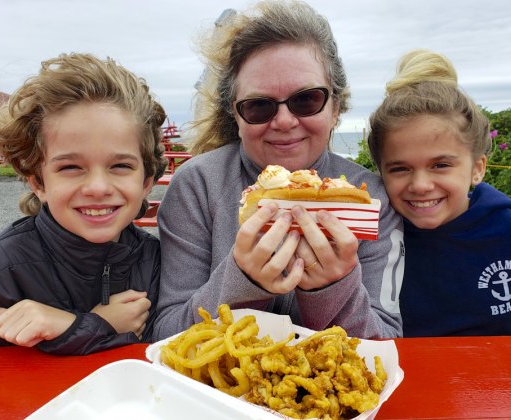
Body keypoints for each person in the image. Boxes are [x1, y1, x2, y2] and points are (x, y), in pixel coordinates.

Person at [153, 0, 404, 341]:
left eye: (306, 100)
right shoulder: (197, 186)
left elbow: (386, 343)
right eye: (259, 105)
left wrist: (333, 287)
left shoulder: (370, 198)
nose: (285, 121)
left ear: (335, 107)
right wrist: (243, 281)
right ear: (236, 115)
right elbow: (165, 335)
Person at [0, 53, 167, 354]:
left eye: (120, 166)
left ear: (146, 182)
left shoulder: (158, 263)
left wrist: (78, 327)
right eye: (70, 168)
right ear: (38, 182)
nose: (98, 187)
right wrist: (94, 326)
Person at [367, 49, 511, 336]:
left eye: (441, 165)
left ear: (477, 168)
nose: (420, 185)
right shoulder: (371, 250)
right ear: (380, 171)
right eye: (400, 169)